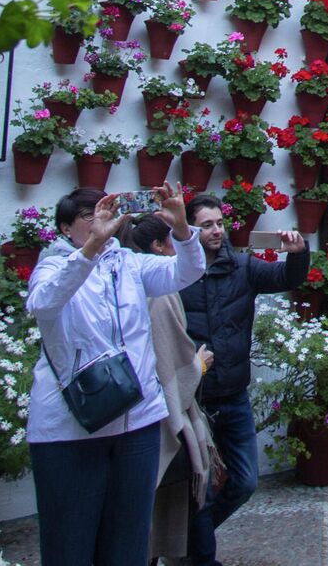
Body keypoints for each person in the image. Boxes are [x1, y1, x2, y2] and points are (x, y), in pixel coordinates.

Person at [26, 184, 206, 566]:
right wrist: (90, 250)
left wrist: (182, 229)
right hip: (71, 429)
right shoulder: (54, 265)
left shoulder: (130, 264)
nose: (102, 222)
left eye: (107, 212)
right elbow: (43, 303)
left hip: (137, 423)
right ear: (64, 228)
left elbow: (188, 271)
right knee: (69, 547)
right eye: (90, 216)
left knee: (128, 545)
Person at [178, 193, 309, 566]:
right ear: (188, 230)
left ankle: (187, 542)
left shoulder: (242, 267)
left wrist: (298, 252)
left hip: (233, 395)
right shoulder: (175, 274)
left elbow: (286, 277)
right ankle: (200, 558)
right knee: (197, 490)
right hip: (194, 398)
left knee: (245, 482)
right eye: (207, 225)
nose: (217, 230)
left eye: (219, 223)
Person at [126, 213, 224, 564]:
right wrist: (197, 365)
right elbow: (171, 363)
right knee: (172, 512)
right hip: (161, 418)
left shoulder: (135, 279)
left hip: (139, 414)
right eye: (178, 240)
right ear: (158, 246)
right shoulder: (159, 290)